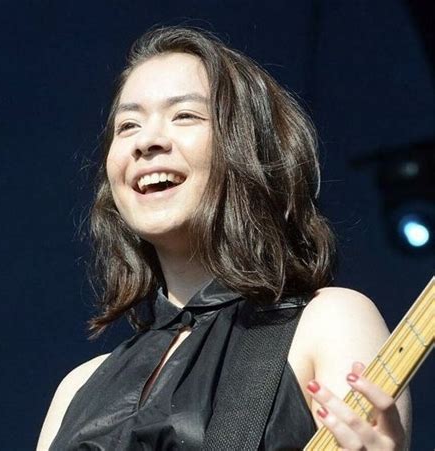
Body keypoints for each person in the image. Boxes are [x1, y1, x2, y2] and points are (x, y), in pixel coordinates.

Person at [37, 26, 411, 450]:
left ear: (248, 148)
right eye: (127, 125)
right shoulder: (75, 390)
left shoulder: (328, 322)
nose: (146, 141)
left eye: (184, 116)